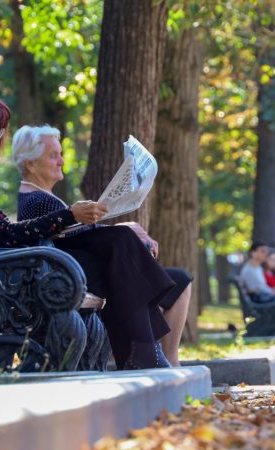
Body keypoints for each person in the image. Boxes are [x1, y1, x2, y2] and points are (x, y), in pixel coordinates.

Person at [0, 81, 174, 370]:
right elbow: (6, 233)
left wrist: (72, 217)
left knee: (117, 249)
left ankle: (143, 351)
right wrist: (70, 215)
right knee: (116, 250)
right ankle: (143, 351)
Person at [11, 125, 191, 367]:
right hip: (69, 277)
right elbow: (78, 236)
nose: (61, 161)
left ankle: (157, 355)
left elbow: (76, 232)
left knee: (170, 274)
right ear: (31, 164)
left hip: (81, 271)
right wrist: (123, 229)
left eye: (61, 153)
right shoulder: (35, 200)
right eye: (53, 155)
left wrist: (122, 227)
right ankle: (145, 354)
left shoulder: (42, 196)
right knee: (123, 244)